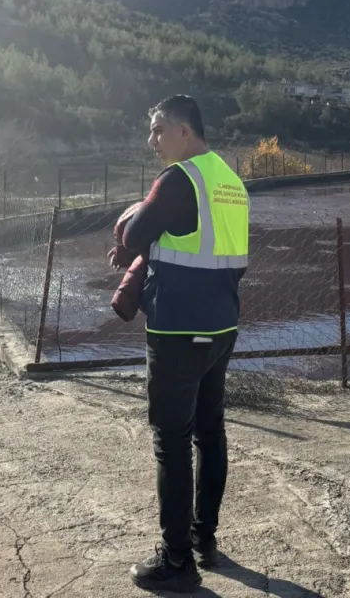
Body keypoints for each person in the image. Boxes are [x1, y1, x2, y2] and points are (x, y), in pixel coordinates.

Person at [116, 95, 249, 593]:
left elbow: (133, 235)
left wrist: (137, 213)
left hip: (178, 331)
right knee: (210, 433)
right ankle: (202, 539)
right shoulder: (230, 181)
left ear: (185, 131)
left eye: (158, 129)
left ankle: (176, 561)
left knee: (171, 442)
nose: (151, 140)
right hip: (221, 326)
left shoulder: (178, 179)